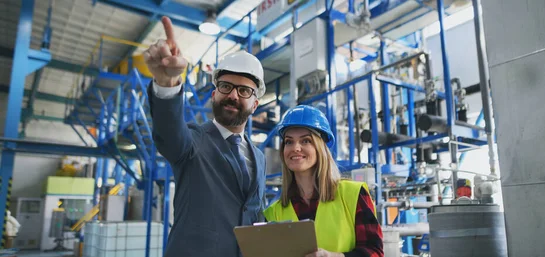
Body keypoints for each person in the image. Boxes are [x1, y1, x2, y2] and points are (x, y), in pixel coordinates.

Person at [143, 16, 267, 257]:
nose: (233, 95)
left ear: (254, 105)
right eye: (225, 87)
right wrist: (166, 83)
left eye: (244, 91)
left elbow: (253, 212)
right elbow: (170, 135)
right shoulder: (193, 142)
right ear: (213, 94)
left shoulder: (259, 158)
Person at [264, 105, 384, 257]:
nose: (296, 148)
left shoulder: (353, 195)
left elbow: (375, 253)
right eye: (289, 142)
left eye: (306, 141)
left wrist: (335, 256)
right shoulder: (273, 212)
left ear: (321, 147)